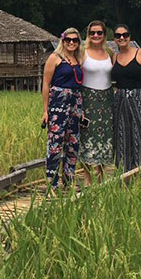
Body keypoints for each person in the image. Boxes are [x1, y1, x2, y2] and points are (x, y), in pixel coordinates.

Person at [41, 27, 84, 192]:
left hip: (75, 104)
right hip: (58, 103)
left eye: (75, 40)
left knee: (73, 143)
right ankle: (51, 182)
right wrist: (45, 110)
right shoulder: (55, 58)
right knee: (55, 143)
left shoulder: (78, 60)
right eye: (68, 40)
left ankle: (69, 180)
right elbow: (46, 84)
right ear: (63, 41)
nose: (71, 43)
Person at [111, 24, 141, 171]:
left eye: (125, 35)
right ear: (115, 39)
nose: (122, 38)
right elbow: (115, 82)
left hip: (139, 97)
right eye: (118, 36)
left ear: (129, 37)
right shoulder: (114, 57)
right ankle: (125, 170)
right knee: (122, 134)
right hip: (120, 99)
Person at [78, 20, 114, 184]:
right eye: (92, 33)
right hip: (88, 97)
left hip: (106, 98)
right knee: (86, 135)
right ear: (88, 34)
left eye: (99, 33)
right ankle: (86, 176)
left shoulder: (109, 52)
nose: (96, 36)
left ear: (104, 35)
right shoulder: (82, 52)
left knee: (104, 135)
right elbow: (76, 76)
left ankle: (101, 174)